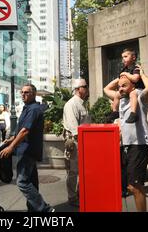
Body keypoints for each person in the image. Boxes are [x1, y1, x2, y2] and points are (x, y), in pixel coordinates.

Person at [104, 65, 148, 212]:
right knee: (130, 185)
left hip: (139, 145)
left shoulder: (139, 96)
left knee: (134, 186)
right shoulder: (120, 99)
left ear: (133, 85)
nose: (120, 89)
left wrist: (140, 75)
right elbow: (106, 89)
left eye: (124, 86)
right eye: (119, 87)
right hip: (126, 146)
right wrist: (121, 77)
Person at [0, 84, 54, 212]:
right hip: (28, 149)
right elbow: (22, 130)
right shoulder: (27, 108)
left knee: (22, 182)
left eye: (27, 92)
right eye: (22, 92)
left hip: (27, 150)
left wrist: (11, 147)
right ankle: (34, 209)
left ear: (33, 94)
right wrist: (11, 139)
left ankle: (45, 209)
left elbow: (25, 131)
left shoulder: (33, 109)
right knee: (32, 181)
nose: (23, 94)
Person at [62, 79, 91, 208]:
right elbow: (75, 129)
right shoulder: (71, 104)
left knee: (82, 171)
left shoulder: (82, 103)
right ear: (79, 89)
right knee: (73, 172)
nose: (87, 88)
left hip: (83, 141)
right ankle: (72, 197)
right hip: (75, 142)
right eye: (85, 86)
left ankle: (79, 193)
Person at [106, 48, 144, 123]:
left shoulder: (136, 68)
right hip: (128, 90)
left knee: (133, 94)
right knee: (117, 94)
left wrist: (125, 74)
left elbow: (135, 79)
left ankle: (133, 113)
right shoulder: (124, 70)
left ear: (133, 58)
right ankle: (115, 112)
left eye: (125, 57)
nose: (123, 59)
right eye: (122, 57)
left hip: (137, 90)